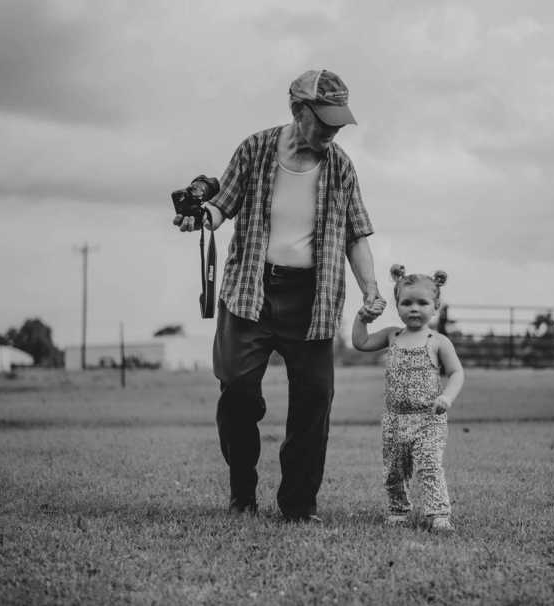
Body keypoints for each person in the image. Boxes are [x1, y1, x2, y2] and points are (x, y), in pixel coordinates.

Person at [173, 69, 384, 522]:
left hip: (313, 298)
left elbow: (356, 234)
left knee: (314, 401)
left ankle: (298, 506)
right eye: (324, 121)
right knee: (237, 395)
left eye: (338, 123)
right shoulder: (255, 149)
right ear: (297, 110)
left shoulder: (342, 166)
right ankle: (242, 492)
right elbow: (220, 205)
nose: (332, 132)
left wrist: (372, 289)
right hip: (251, 292)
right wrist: (198, 217)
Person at [352, 264, 464, 532]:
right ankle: (398, 509)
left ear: (435, 306)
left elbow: (457, 372)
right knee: (394, 469)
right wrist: (362, 318)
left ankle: (438, 514)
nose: (414, 308)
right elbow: (361, 343)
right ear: (398, 305)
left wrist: (447, 398)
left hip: (428, 418)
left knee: (429, 464)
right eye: (407, 303)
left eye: (422, 303)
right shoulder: (393, 335)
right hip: (394, 419)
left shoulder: (438, 341)